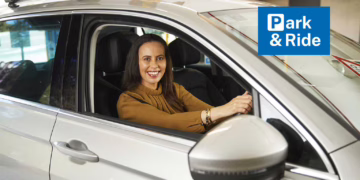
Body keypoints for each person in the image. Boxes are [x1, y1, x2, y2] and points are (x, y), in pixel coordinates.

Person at [117, 34, 252, 133]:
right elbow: (170, 123)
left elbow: (209, 113)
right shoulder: (127, 102)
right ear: (136, 63)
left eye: (160, 58)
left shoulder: (174, 89)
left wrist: (239, 109)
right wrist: (225, 109)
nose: (155, 66)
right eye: (147, 59)